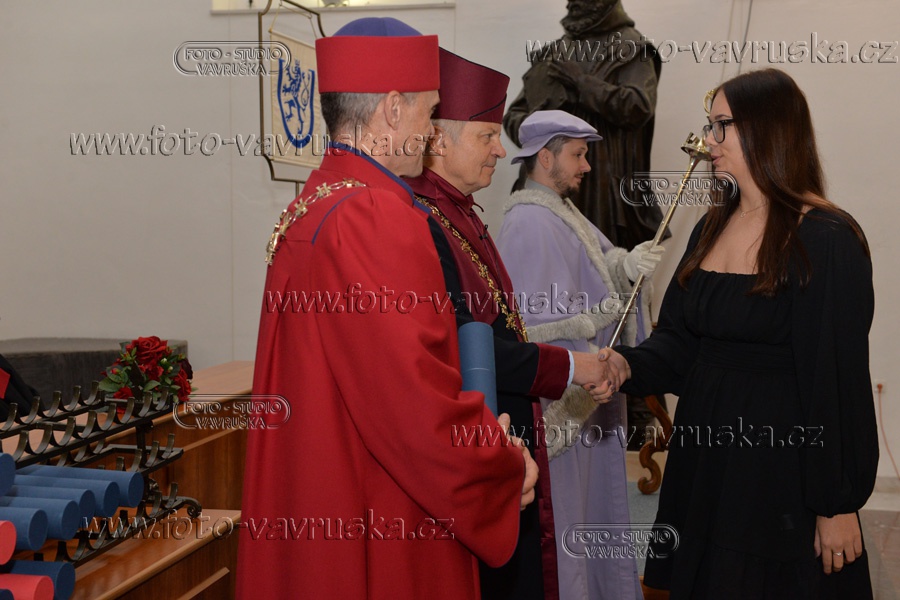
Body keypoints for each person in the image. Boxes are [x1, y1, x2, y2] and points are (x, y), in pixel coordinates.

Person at [237, 18, 564, 600]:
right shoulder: (376, 216)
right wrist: (499, 464)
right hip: (381, 509)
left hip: (324, 493)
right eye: (430, 111)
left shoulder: (314, 203)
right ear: (392, 108)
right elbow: (415, 405)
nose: (432, 129)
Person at [594, 68, 878, 598]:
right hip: (706, 463)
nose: (708, 140)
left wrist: (837, 504)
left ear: (769, 129)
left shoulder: (826, 238)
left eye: (721, 125)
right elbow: (680, 341)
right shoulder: (710, 227)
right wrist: (627, 364)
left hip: (779, 472)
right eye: (710, 124)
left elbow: (836, 383)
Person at [406, 50, 614, 600]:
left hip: (506, 434)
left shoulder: (462, 212)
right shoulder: (424, 223)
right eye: (486, 137)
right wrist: (571, 366)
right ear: (439, 140)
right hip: (474, 441)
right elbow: (458, 350)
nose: (501, 150)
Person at [496, 109, 662, 600]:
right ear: (546, 157)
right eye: (578, 154)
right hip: (565, 407)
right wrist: (592, 369)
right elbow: (539, 330)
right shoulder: (528, 221)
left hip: (586, 398)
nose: (587, 166)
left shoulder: (559, 211)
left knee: (592, 514)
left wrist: (626, 265)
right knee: (569, 521)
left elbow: (597, 268)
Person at [502, 0, 662, 251]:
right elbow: (514, 115)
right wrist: (542, 131)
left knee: (597, 260)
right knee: (539, 256)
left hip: (598, 185)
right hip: (545, 184)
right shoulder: (553, 52)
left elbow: (638, 107)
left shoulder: (632, 48)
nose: (573, 2)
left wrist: (582, 83)